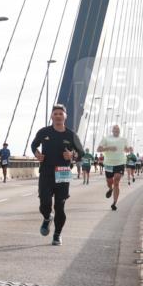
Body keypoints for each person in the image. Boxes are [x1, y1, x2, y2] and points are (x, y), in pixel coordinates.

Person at [30, 105, 84, 246]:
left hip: (63, 172)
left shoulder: (71, 135)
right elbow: (33, 145)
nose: (58, 116)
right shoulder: (43, 132)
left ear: (65, 116)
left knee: (60, 206)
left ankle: (57, 234)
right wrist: (37, 154)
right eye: (56, 113)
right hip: (46, 172)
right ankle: (48, 217)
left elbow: (81, 154)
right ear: (51, 116)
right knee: (44, 204)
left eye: (61, 113)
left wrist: (72, 155)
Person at [97, 125, 128, 211]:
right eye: (115, 129)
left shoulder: (123, 139)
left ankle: (114, 203)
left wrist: (129, 149)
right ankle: (110, 189)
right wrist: (109, 148)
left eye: (118, 129)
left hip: (120, 163)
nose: (116, 131)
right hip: (109, 164)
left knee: (117, 181)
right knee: (109, 181)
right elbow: (98, 149)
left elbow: (126, 149)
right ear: (112, 130)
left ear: (120, 131)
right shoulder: (106, 138)